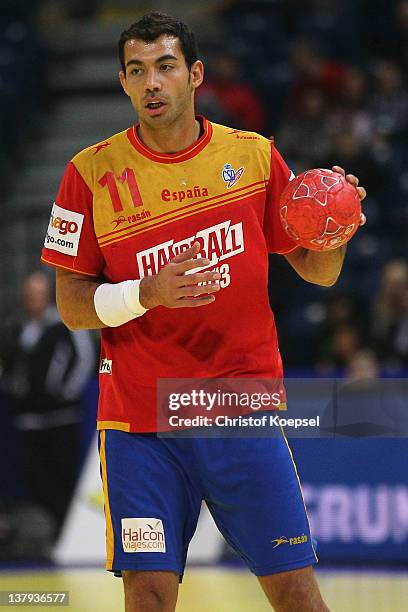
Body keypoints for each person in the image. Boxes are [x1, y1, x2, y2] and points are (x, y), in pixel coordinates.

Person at [40, 12, 366, 612]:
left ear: (195, 75)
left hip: (238, 408)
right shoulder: (88, 173)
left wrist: (333, 230)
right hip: (141, 422)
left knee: (297, 594)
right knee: (149, 598)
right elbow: (71, 306)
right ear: (122, 83)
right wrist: (145, 292)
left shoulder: (254, 157)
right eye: (136, 72)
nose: (151, 84)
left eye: (165, 67)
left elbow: (319, 272)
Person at [0, 271, 96, 540]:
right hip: (28, 419)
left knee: (62, 478)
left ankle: (66, 537)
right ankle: (49, 534)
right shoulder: (18, 328)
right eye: (28, 294)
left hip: (60, 417)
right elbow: (13, 366)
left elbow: (84, 359)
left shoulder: (65, 323)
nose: (32, 299)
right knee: (34, 479)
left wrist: (62, 392)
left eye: (38, 293)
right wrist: (16, 390)